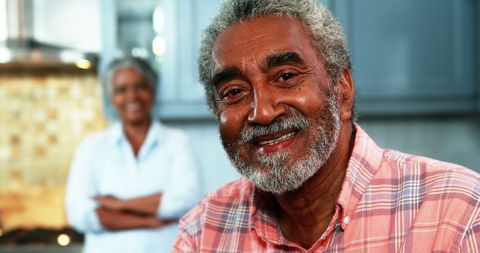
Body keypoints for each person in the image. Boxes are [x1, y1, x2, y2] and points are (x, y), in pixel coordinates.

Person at [173, 0, 480, 252]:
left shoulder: (457, 212)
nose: (262, 112)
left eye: (286, 76)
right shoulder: (204, 231)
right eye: (234, 92)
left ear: (343, 90)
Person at [65, 57, 202, 253]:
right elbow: (79, 214)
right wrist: (149, 220)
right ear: (111, 97)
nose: (132, 96)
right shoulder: (91, 147)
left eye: (140, 87)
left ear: (152, 92)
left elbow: (185, 200)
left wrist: (118, 204)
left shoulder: (178, 142)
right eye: (122, 90)